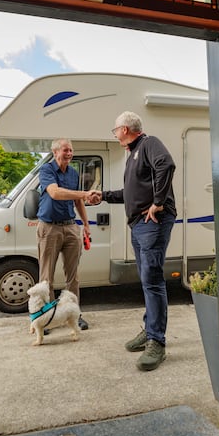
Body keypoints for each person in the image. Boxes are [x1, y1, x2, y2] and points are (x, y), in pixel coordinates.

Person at [89, 111, 176, 371]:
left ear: (125, 129)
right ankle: (150, 330)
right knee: (146, 279)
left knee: (152, 279)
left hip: (152, 223)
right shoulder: (133, 154)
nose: (114, 135)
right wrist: (102, 195)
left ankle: (156, 342)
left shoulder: (149, 144)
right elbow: (130, 194)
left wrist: (158, 203)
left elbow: (167, 165)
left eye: (115, 130)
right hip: (138, 224)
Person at [37, 138, 92, 331]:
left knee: (73, 277)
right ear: (55, 152)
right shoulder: (46, 170)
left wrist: (85, 225)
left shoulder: (73, 173)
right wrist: (83, 194)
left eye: (71, 150)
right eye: (66, 150)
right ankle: (47, 318)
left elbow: (78, 202)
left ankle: (74, 315)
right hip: (49, 227)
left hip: (70, 227)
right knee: (46, 278)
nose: (70, 153)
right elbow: (55, 193)